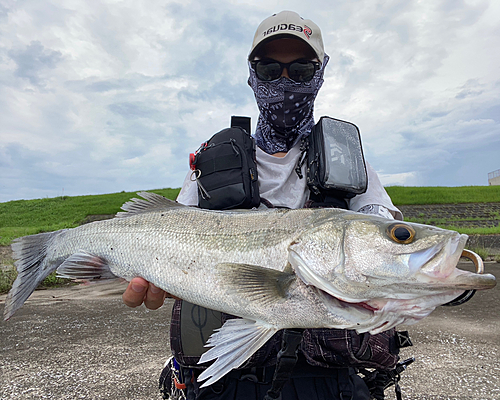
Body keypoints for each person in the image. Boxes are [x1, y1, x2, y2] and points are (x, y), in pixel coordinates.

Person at [123, 10, 404, 400]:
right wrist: (160, 274)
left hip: (331, 380)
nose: (285, 83)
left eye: (302, 70)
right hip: (229, 379)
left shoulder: (351, 164)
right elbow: (172, 229)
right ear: (252, 75)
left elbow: (382, 236)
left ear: (321, 72)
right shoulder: (213, 160)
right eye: (270, 70)